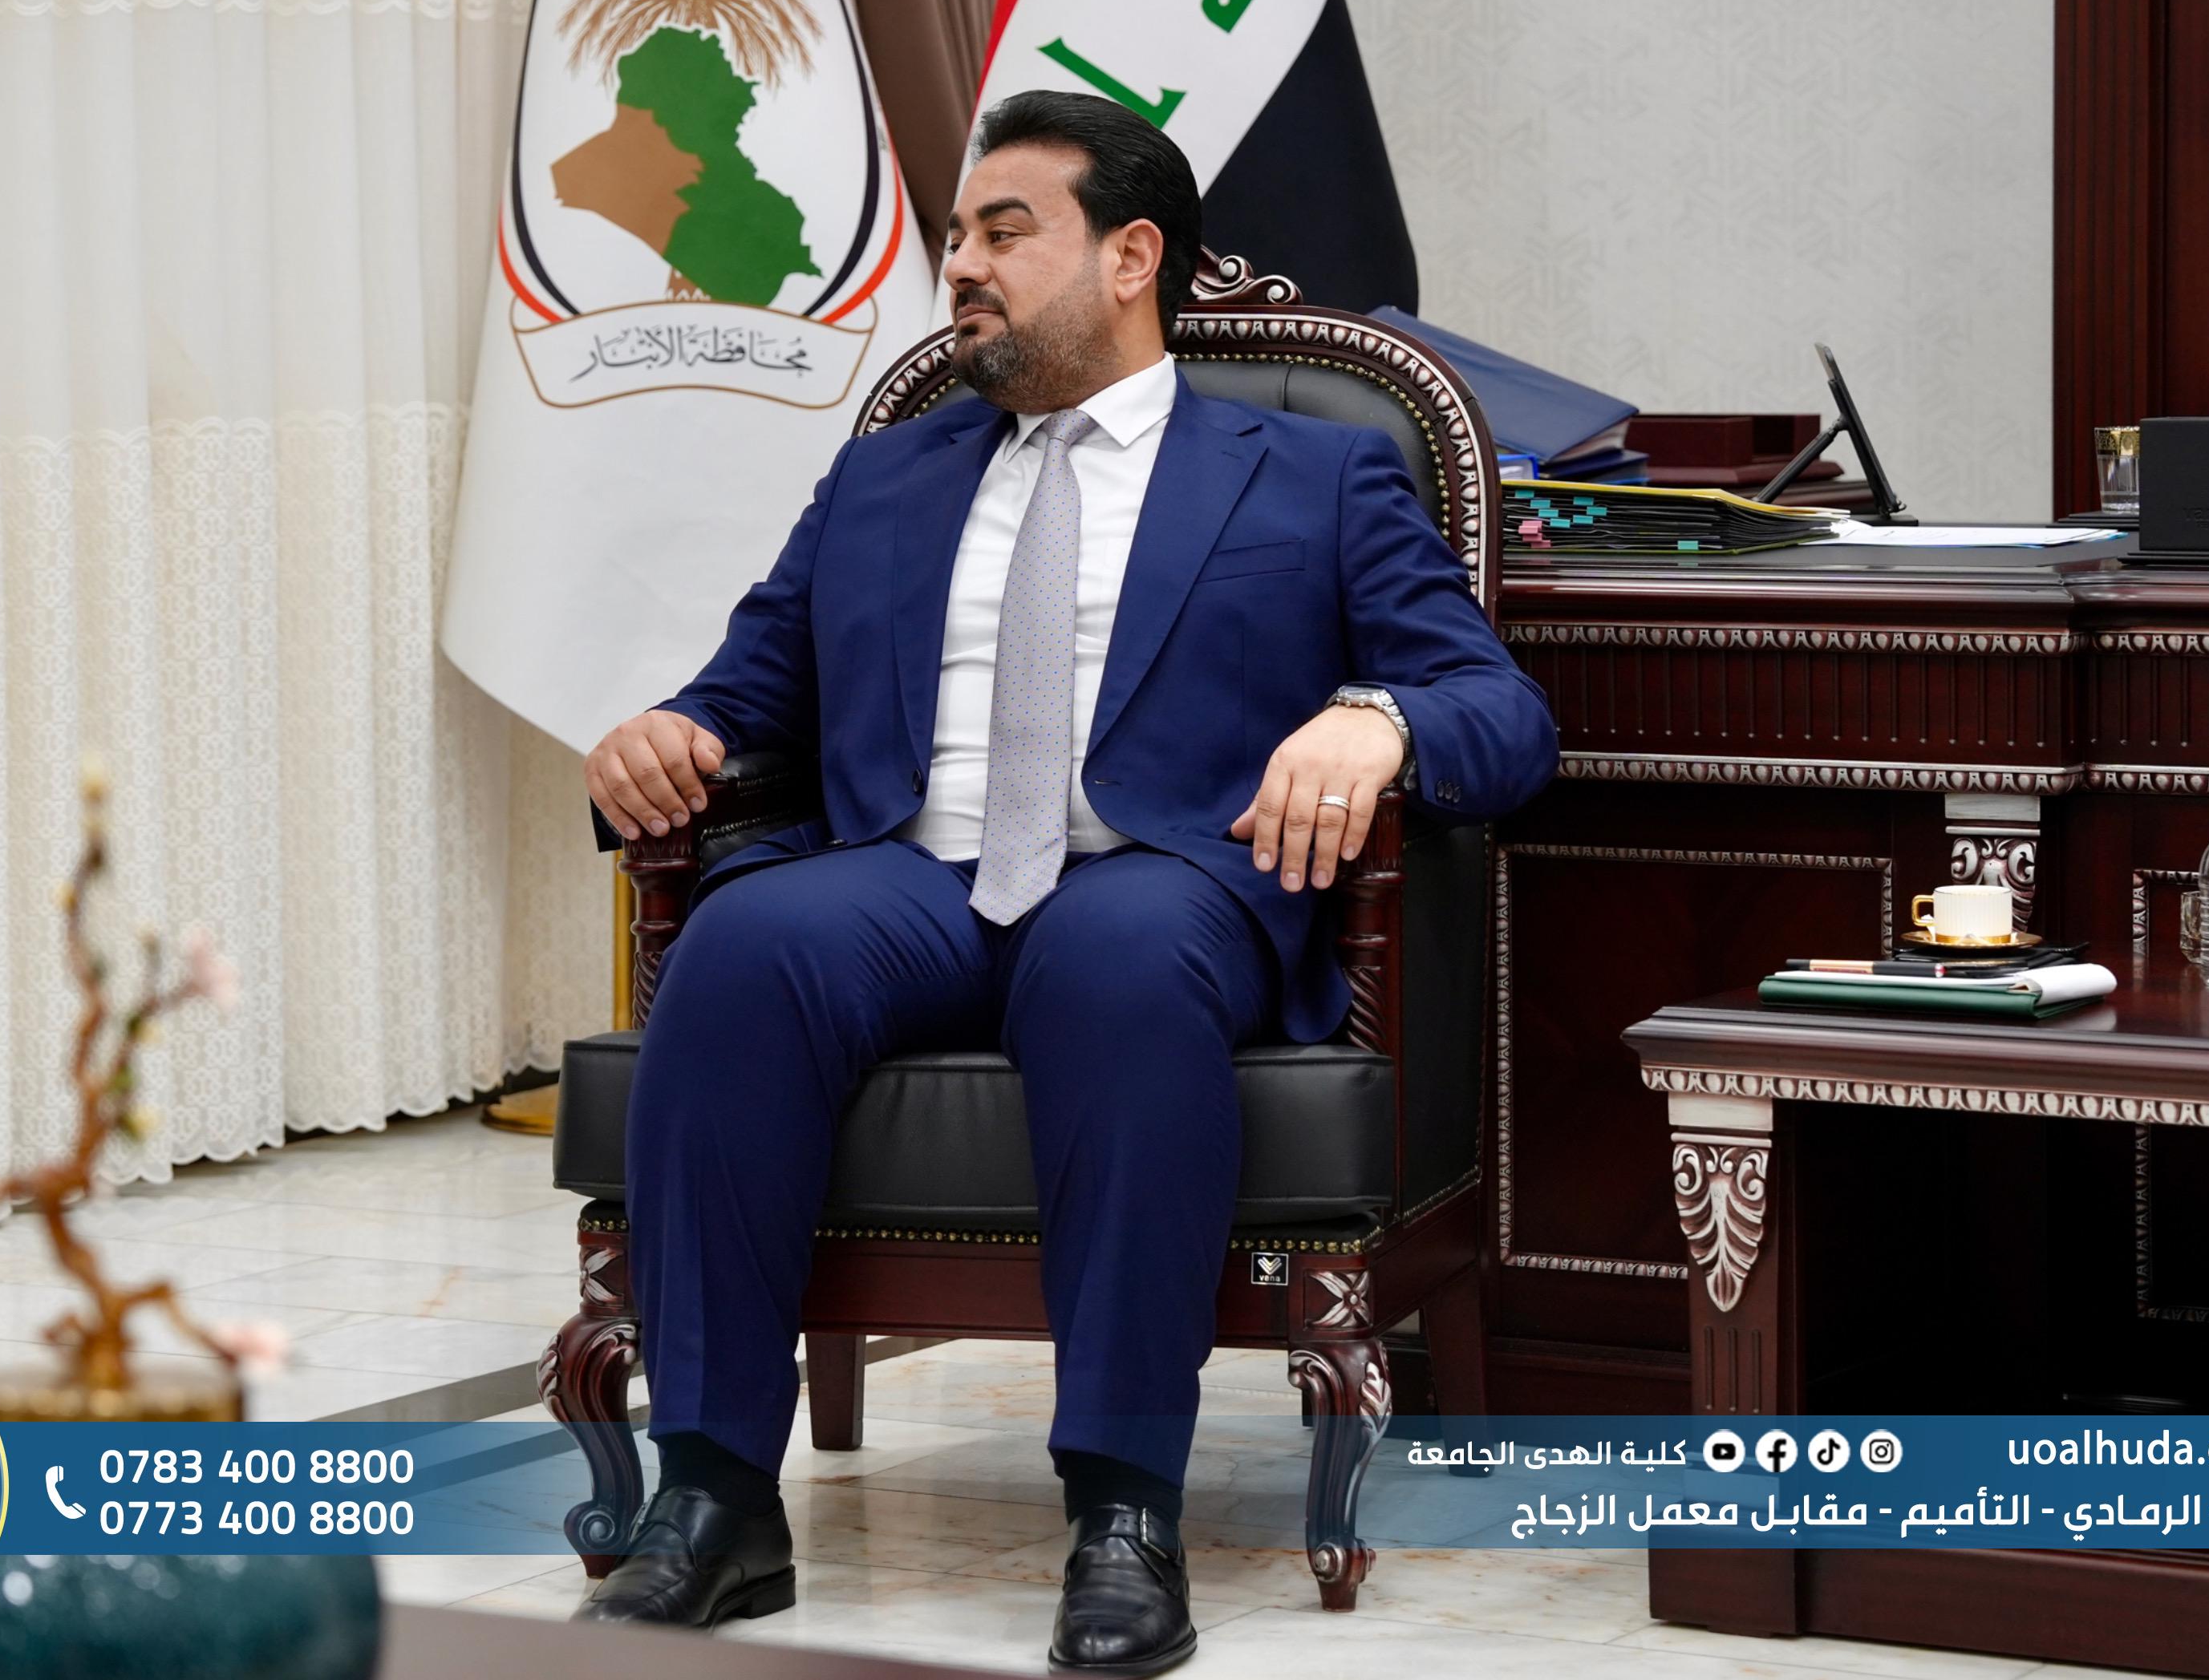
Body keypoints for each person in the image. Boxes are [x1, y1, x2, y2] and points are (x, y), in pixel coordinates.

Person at [579, 91, 1557, 1674]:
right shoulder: (882, 477)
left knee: (1116, 958)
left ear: (1130, 256)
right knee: (747, 941)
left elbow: (1500, 715)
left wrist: (1375, 718)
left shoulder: (1312, 476)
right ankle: (712, 1498)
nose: (959, 264)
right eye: (955, 237)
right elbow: (742, 694)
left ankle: (1121, 1510)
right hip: (913, 880)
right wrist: (665, 730)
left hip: (1159, 877)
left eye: (1002, 231)